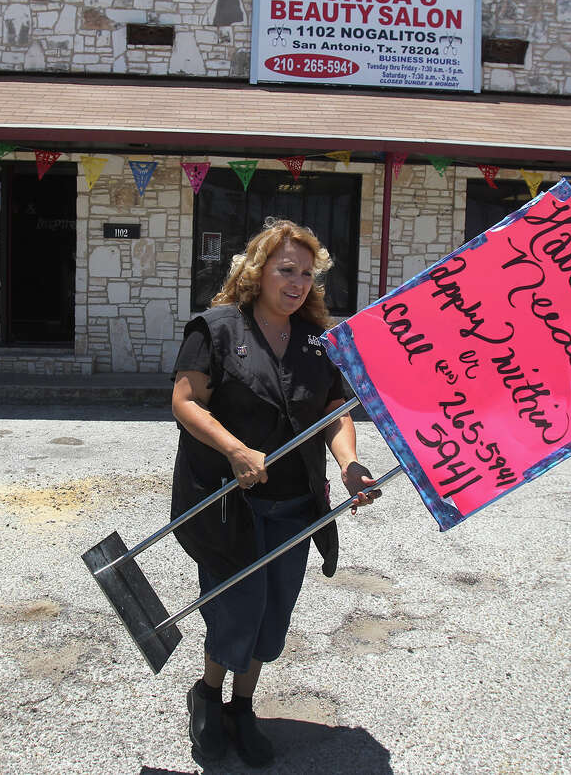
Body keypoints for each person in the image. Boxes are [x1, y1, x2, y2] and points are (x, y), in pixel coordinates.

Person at [170, 218, 376, 767]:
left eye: (307, 274)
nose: (298, 283)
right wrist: (236, 450)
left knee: (271, 616)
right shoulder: (216, 329)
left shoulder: (317, 343)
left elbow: (335, 413)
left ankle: (243, 706)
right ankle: (209, 697)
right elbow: (186, 401)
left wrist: (350, 464)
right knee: (236, 609)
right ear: (257, 271)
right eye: (287, 270)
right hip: (228, 503)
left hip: (294, 507)